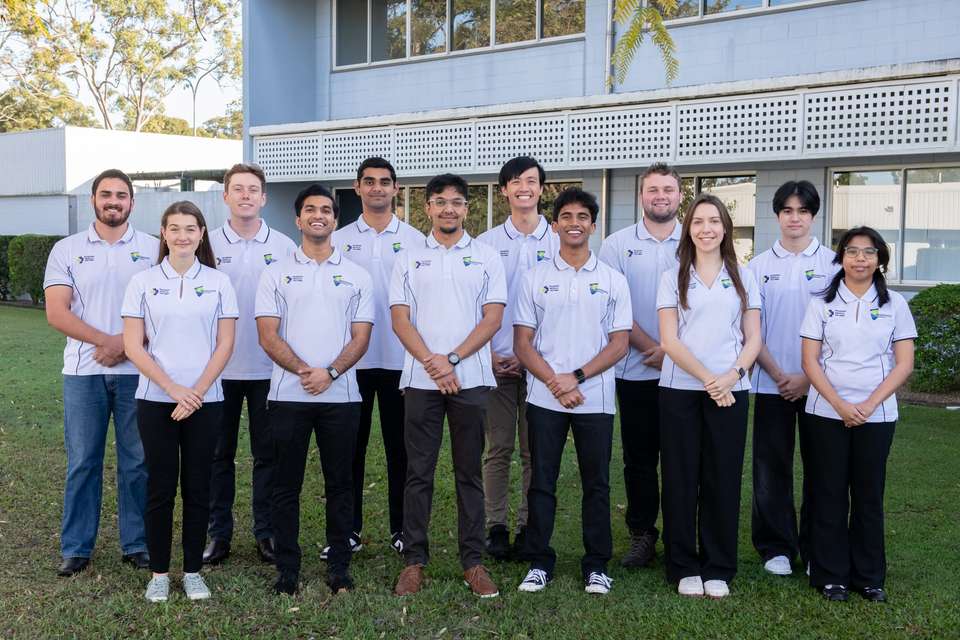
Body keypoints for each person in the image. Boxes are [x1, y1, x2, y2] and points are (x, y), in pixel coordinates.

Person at [389, 173, 507, 598]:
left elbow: (492, 319)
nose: (449, 209)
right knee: (417, 473)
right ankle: (414, 561)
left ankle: (473, 562)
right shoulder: (407, 256)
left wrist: (452, 359)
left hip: (471, 381)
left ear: (467, 208)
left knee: (468, 473)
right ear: (427, 207)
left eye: (457, 202)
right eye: (440, 201)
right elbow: (400, 319)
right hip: (421, 381)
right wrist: (432, 364)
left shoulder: (487, 256)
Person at [255, 184, 374, 596]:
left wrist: (331, 372)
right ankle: (287, 570)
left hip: (341, 398)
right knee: (285, 485)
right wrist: (307, 371)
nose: (318, 215)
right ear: (298, 219)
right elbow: (267, 335)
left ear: (335, 220)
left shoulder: (357, 275)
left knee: (340, 484)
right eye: (310, 209)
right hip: (288, 395)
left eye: (326, 209)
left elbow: (361, 337)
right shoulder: (274, 272)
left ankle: (339, 566)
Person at [514, 187, 631, 596]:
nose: (575, 223)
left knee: (596, 484)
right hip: (545, 398)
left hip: (594, 398)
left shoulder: (613, 280)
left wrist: (576, 377)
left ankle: (596, 565)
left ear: (593, 226)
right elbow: (523, 343)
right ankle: (539, 561)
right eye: (566, 216)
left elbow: (619, 344)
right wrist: (554, 382)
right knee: (541, 481)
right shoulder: (534, 278)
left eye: (583, 216)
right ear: (556, 224)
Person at [121, 201, 238, 603]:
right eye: (175, 228)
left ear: (201, 234)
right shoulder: (143, 282)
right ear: (164, 233)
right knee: (160, 486)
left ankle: (191, 571)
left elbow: (225, 345)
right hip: (156, 400)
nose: (183, 235)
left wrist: (197, 393)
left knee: (198, 487)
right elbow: (133, 347)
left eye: (190, 228)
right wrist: (173, 390)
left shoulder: (220, 282)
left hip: (207, 401)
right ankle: (158, 573)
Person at [44, 169, 158, 577]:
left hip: (137, 373)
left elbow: (160, 311)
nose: (114, 201)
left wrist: (125, 345)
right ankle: (76, 548)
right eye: (106, 194)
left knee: (137, 461)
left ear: (132, 202)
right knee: (83, 462)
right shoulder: (67, 249)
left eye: (122, 195)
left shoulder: (152, 248)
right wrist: (107, 342)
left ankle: (137, 544)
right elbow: (57, 311)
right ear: (94, 199)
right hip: (82, 372)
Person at [800, 226, 916, 603]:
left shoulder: (895, 304)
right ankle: (831, 575)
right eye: (852, 251)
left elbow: (903, 364)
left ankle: (869, 577)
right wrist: (839, 404)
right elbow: (810, 361)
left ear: (880, 259)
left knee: (868, 495)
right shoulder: (821, 302)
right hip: (825, 411)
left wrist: (867, 405)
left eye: (869, 252)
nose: (860, 259)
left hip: (876, 415)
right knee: (828, 493)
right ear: (841, 257)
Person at [656, 193, 761, 599]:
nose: (706, 229)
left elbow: (753, 339)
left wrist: (730, 377)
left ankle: (718, 564)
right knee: (681, 478)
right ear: (689, 230)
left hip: (731, 392)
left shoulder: (744, 275)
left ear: (725, 228)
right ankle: (683, 564)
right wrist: (709, 380)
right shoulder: (673, 276)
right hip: (681, 390)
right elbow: (669, 340)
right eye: (698, 222)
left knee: (723, 478)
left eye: (713, 221)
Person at [330, 157, 425, 559]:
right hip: (353, 362)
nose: (377, 189)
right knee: (349, 450)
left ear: (396, 189)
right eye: (369, 182)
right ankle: (347, 531)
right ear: (357, 188)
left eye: (385, 182)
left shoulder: (417, 239)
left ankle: (402, 529)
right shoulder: (338, 238)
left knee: (401, 450)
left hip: (401, 361)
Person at [205, 163, 296, 566]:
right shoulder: (205, 243)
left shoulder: (283, 246)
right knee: (216, 456)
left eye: (253, 189)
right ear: (225, 196)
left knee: (268, 456)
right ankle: (217, 535)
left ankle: (267, 533)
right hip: (217, 371)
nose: (245, 195)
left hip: (267, 370)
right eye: (237, 188)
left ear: (263, 198)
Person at [747, 180, 837, 577]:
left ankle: (818, 545)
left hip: (820, 387)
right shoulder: (758, 267)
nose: (795, 218)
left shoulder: (835, 265)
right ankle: (776, 546)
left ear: (813, 216)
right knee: (771, 467)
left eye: (802, 211)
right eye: (787, 211)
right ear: (778, 216)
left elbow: (837, 332)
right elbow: (753, 332)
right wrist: (781, 374)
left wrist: (806, 377)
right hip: (771, 384)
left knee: (822, 468)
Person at [598, 162, 682, 569]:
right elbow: (614, 306)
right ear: (641, 196)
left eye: (668, 189)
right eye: (653, 190)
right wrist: (656, 347)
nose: (660, 196)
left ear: (679, 195)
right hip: (636, 369)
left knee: (684, 457)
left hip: (688, 373)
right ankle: (642, 534)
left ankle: (683, 535)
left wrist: (675, 351)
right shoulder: (616, 245)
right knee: (640, 459)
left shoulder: (698, 238)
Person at [476, 156, 559, 561]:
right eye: (514, 181)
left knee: (533, 450)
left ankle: (529, 525)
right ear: (504, 190)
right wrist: (489, 353)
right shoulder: (487, 244)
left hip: (543, 369)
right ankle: (495, 525)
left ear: (541, 188)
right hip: (497, 363)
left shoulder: (560, 239)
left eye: (531, 181)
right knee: (498, 448)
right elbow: (476, 305)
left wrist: (537, 361)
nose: (523, 187)